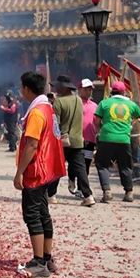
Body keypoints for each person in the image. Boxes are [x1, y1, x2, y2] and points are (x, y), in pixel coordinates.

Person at [14, 71, 66, 278]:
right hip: (48, 170)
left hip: (37, 170)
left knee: (33, 214)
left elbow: (32, 144)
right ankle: (47, 257)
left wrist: (19, 172)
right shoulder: (47, 108)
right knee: (43, 213)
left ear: (27, 89)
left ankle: (38, 263)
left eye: (21, 88)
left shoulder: (36, 112)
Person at [94, 81, 140, 203]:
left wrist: (100, 130)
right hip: (124, 139)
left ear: (112, 92)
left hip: (106, 138)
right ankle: (129, 192)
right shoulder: (131, 105)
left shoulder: (104, 103)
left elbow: (96, 120)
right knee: (125, 166)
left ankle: (107, 191)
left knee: (102, 165)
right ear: (124, 92)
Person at [49, 75, 95, 207]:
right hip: (78, 140)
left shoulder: (59, 102)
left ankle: (51, 195)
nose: (56, 88)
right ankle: (88, 196)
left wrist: (55, 139)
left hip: (63, 141)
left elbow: (55, 124)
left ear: (63, 88)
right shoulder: (78, 100)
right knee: (81, 169)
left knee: (56, 168)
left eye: (57, 86)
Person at [79, 79, 98, 177]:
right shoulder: (76, 104)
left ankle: (81, 187)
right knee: (76, 164)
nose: (88, 92)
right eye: (86, 89)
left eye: (90, 90)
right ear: (80, 89)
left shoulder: (95, 106)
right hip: (77, 140)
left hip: (90, 141)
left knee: (86, 163)